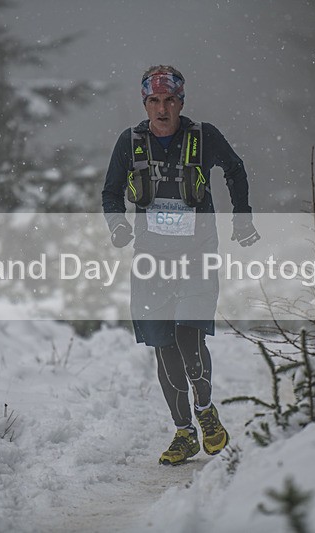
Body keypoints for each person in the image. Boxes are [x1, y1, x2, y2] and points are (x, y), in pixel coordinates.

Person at [102, 65, 259, 465]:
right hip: (151, 260)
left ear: (181, 102)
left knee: (188, 335)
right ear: (145, 103)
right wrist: (118, 224)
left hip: (197, 255)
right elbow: (110, 191)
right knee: (163, 346)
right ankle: (184, 433)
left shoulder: (203, 137)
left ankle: (205, 412)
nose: (162, 108)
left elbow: (236, 170)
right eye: (154, 100)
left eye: (170, 100)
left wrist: (242, 218)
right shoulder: (131, 142)